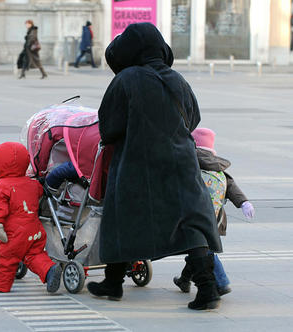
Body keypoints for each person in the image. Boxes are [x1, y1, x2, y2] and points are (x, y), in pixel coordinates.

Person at [86, 23, 223, 310]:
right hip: (181, 163)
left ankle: (113, 282)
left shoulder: (127, 79)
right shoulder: (177, 79)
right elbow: (193, 119)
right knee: (190, 222)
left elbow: (108, 127)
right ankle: (207, 288)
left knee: (122, 219)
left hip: (137, 163)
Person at [173, 128, 255, 296]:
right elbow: (232, 187)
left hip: (195, 217)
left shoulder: (191, 164)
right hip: (216, 219)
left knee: (203, 250)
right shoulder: (218, 169)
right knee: (198, 248)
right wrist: (244, 203)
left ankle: (222, 282)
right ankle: (184, 280)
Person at [0, 142, 61, 293]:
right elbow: (40, 192)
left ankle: (0, 286)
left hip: (14, 232)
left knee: (6, 258)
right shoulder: (32, 184)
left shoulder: (0, 186)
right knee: (34, 254)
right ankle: (50, 270)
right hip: (35, 229)